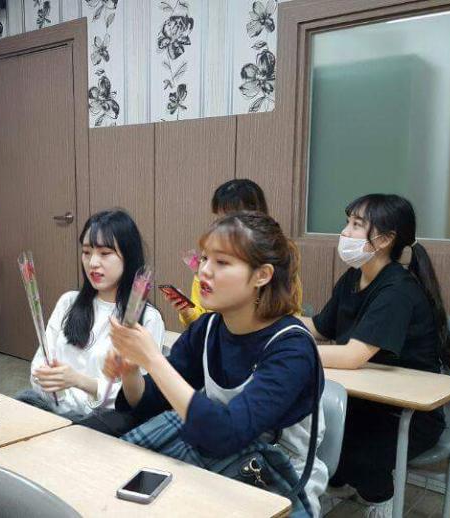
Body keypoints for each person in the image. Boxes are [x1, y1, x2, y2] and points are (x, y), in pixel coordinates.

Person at [106, 212, 328, 516]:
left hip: (275, 479)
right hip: (214, 463)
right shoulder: (208, 328)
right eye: (204, 259)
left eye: (222, 262)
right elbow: (152, 404)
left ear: (262, 275)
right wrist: (132, 372)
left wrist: (154, 361)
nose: (204, 272)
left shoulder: (292, 348)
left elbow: (228, 433)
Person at [300, 194, 450, 518]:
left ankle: (381, 495)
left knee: (355, 454)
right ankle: (339, 482)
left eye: (357, 225)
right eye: (347, 222)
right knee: (311, 436)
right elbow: (319, 327)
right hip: (362, 402)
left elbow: (353, 356)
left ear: (385, 239)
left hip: (408, 414)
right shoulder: (353, 277)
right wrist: (271, 321)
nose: (345, 232)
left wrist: (287, 348)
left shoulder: (398, 290)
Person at [16, 210, 165, 421]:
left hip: (101, 423)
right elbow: (39, 366)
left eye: (105, 253)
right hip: (49, 411)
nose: (93, 262)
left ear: (128, 255)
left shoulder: (147, 319)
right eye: (86, 252)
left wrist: (78, 381)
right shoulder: (69, 302)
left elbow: (137, 397)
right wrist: (51, 383)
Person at [163, 179, 304, 327]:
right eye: (219, 217)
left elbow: (290, 312)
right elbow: (199, 324)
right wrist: (187, 311)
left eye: (222, 262)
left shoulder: (279, 259)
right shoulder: (208, 264)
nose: (205, 270)